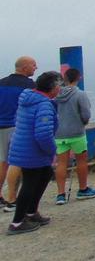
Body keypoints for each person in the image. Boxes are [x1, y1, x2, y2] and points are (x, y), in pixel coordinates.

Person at [6, 71, 60, 234]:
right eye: (59, 85)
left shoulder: (28, 98)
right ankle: (17, 223)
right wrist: (52, 151)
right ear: (53, 87)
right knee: (29, 183)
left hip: (23, 146)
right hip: (33, 151)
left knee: (45, 174)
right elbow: (43, 134)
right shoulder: (43, 105)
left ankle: (31, 212)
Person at [53, 68, 95, 204]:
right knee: (81, 161)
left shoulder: (57, 95)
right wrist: (83, 122)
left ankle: (60, 194)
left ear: (65, 79)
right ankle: (83, 189)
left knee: (61, 163)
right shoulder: (80, 94)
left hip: (60, 133)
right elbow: (86, 114)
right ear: (79, 78)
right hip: (77, 132)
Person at [0, 56, 36, 213]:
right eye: (33, 65)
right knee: (18, 163)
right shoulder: (29, 86)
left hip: (1, 127)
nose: (36, 67)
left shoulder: (1, 83)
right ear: (24, 67)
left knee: (3, 163)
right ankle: (12, 199)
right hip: (18, 128)